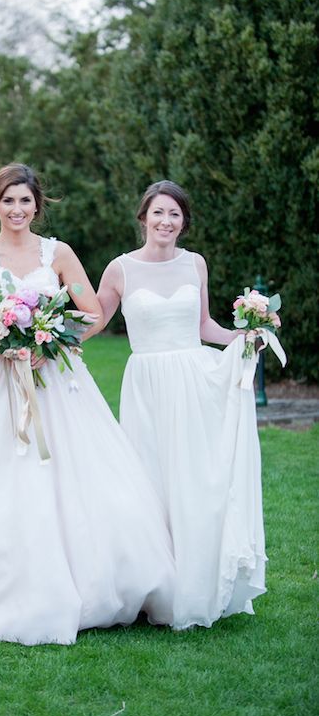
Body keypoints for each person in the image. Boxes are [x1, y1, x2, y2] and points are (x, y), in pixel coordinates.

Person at [0, 163, 175, 645]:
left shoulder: (59, 255)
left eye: (25, 201)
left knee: (76, 476)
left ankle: (93, 578)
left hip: (56, 382)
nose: (17, 209)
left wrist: (50, 339)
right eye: (8, 201)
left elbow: (91, 312)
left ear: (38, 205)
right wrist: (0, 344)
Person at [97, 180, 266, 630]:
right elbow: (93, 321)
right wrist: (44, 337)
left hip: (195, 381)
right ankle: (154, 584)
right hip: (147, 384)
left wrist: (243, 336)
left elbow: (205, 324)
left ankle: (195, 582)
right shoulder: (120, 270)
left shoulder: (195, 264)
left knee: (194, 480)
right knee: (149, 478)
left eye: (174, 214)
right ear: (143, 218)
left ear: (183, 222)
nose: (166, 222)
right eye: (158, 213)